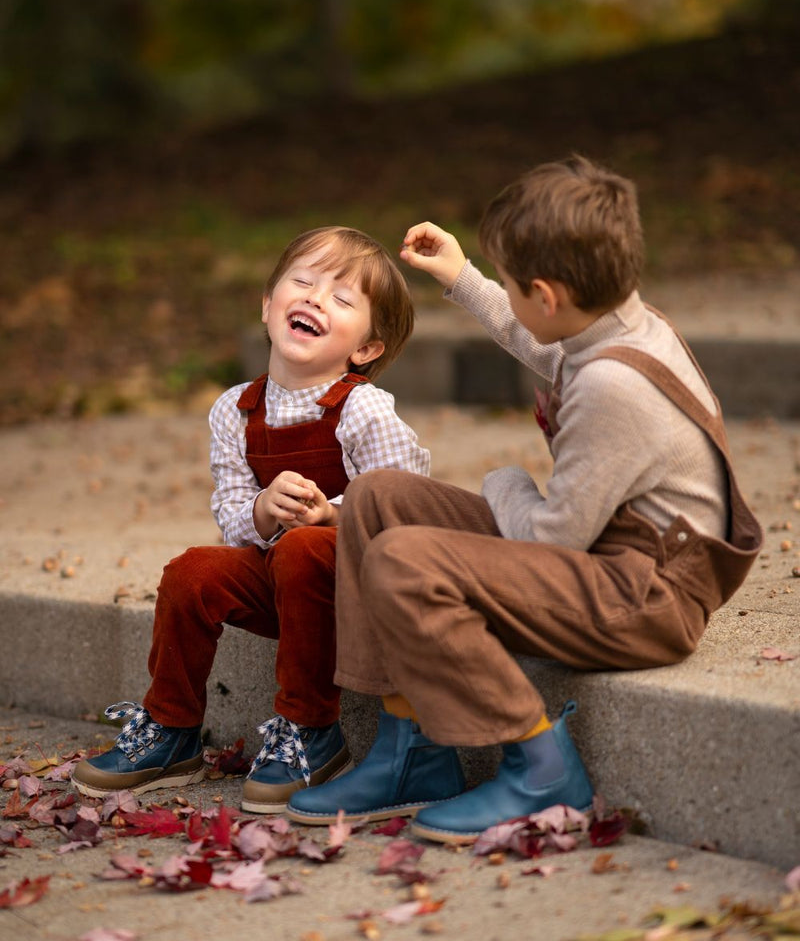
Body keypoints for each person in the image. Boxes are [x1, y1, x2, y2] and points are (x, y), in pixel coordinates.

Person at [285, 156, 764, 843]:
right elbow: (534, 340)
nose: (506, 300)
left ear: (545, 294)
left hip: (644, 597)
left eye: (509, 286)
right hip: (604, 560)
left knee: (405, 561)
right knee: (376, 498)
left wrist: (504, 481)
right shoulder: (611, 322)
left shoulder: (613, 388)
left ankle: (542, 766)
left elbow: (548, 542)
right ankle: (410, 751)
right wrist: (461, 278)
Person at [72, 226, 430, 813]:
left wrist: (333, 514)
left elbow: (405, 502)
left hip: (360, 592)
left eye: (342, 299)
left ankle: (312, 732)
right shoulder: (235, 409)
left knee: (302, 548)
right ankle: (171, 730)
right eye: (304, 282)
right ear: (268, 306)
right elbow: (232, 513)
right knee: (192, 571)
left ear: (366, 349)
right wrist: (262, 510)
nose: (316, 298)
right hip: (285, 584)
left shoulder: (363, 406)